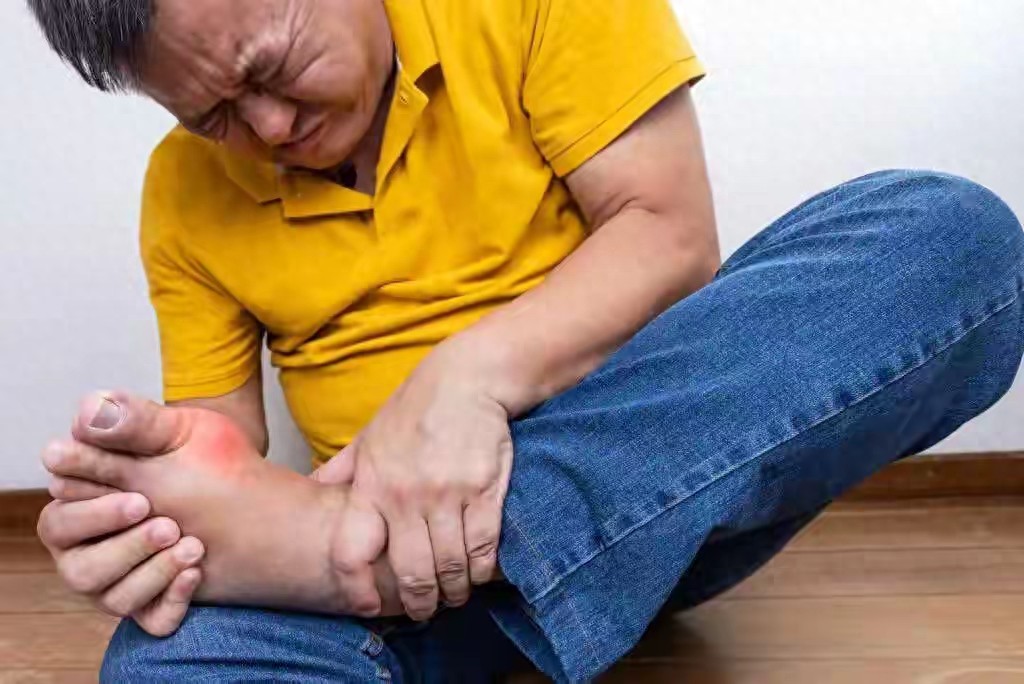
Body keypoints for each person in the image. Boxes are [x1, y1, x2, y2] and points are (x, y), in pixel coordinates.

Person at [27, 0, 1024, 681]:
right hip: (419, 597)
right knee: (174, 662)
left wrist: (463, 383)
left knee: (946, 239)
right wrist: (153, 519)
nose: (272, 125)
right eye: (215, 116)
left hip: (670, 498)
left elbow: (670, 238)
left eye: (271, 69)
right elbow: (220, 465)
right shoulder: (180, 193)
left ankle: (354, 553)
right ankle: (374, 560)